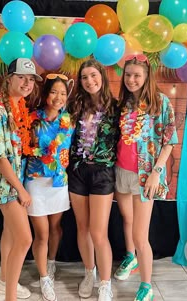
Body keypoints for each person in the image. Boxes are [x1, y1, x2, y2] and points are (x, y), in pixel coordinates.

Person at [113, 54, 178, 301]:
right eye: (128, 75)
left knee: (141, 235)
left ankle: (146, 285)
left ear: (146, 76)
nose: (131, 80)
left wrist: (156, 173)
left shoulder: (160, 103)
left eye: (136, 75)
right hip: (121, 171)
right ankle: (131, 258)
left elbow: (169, 141)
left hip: (145, 176)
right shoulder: (123, 103)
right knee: (126, 218)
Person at [0, 58, 42, 301]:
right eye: (22, 77)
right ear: (9, 79)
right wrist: (21, 190)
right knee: (25, 238)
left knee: (9, 232)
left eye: (31, 79)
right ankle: (10, 297)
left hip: (13, 182)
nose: (27, 83)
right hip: (6, 186)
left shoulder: (17, 106)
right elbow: (0, 158)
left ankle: (5, 283)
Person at [67, 58, 120, 301]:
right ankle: (89, 273)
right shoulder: (75, 105)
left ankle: (105, 283)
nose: (89, 81)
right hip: (77, 171)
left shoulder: (116, 107)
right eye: (85, 77)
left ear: (102, 76)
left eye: (93, 75)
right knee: (83, 228)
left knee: (99, 232)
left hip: (102, 174)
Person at [24, 73, 74, 301]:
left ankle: (51, 263)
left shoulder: (69, 121)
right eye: (54, 92)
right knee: (41, 233)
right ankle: (44, 279)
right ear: (46, 94)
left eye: (63, 93)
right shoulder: (32, 119)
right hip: (35, 181)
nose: (58, 97)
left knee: (56, 229)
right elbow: (24, 149)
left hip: (58, 182)